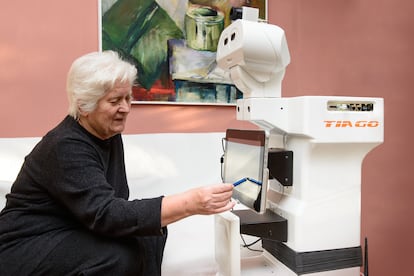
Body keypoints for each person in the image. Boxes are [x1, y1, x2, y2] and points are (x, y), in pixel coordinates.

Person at [0, 50, 235, 275]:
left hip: (71, 226)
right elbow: (105, 214)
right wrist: (190, 203)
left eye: (128, 97)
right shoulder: (65, 145)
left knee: (150, 234)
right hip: (26, 244)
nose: (126, 108)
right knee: (117, 257)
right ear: (84, 105)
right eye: (114, 101)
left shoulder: (108, 133)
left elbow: (117, 199)